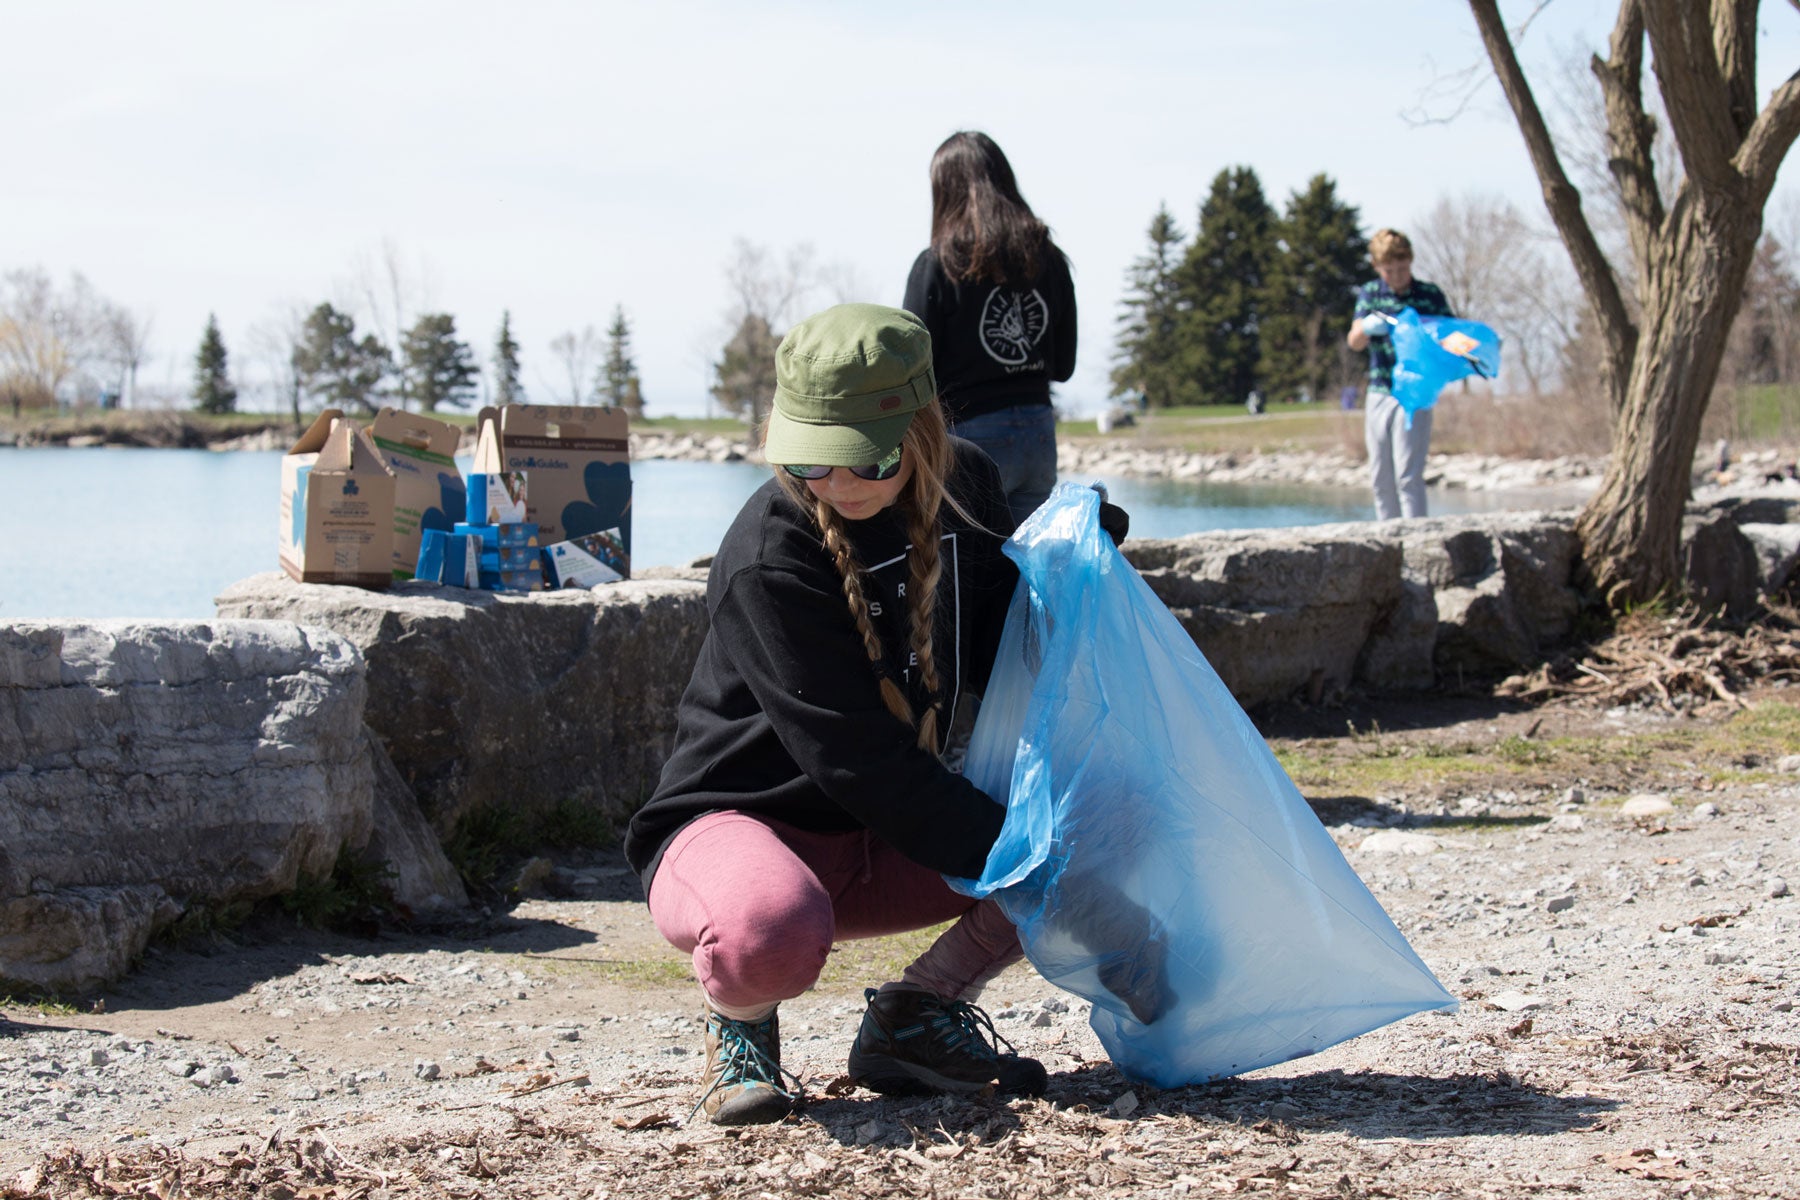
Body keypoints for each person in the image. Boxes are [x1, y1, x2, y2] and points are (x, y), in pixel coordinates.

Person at [623, 302, 1045, 1127]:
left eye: (866, 461)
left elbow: (1011, 640)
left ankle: (917, 1015)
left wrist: (1068, 554)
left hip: (883, 835)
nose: (838, 486)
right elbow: (852, 752)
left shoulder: (970, 488)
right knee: (768, 930)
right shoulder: (769, 551)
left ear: (923, 431)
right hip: (744, 828)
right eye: (814, 463)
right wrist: (1008, 849)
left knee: (1089, 841)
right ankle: (742, 1027)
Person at [903, 131, 1076, 527]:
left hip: (969, 436)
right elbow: (1063, 366)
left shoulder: (938, 263)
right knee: (1025, 570)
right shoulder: (1050, 259)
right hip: (1038, 432)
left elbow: (911, 366)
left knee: (966, 570)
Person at [1345, 228, 1454, 520]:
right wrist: (1366, 328)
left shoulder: (1429, 295)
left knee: (1408, 473)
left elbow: (1453, 339)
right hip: (1380, 390)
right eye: (1389, 270)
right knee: (1380, 475)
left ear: (1411, 262)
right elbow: (1353, 341)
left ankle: (1417, 535)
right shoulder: (1371, 294)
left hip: (1415, 393)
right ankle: (1388, 536)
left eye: (1402, 269)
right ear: (1377, 267)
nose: (1396, 276)